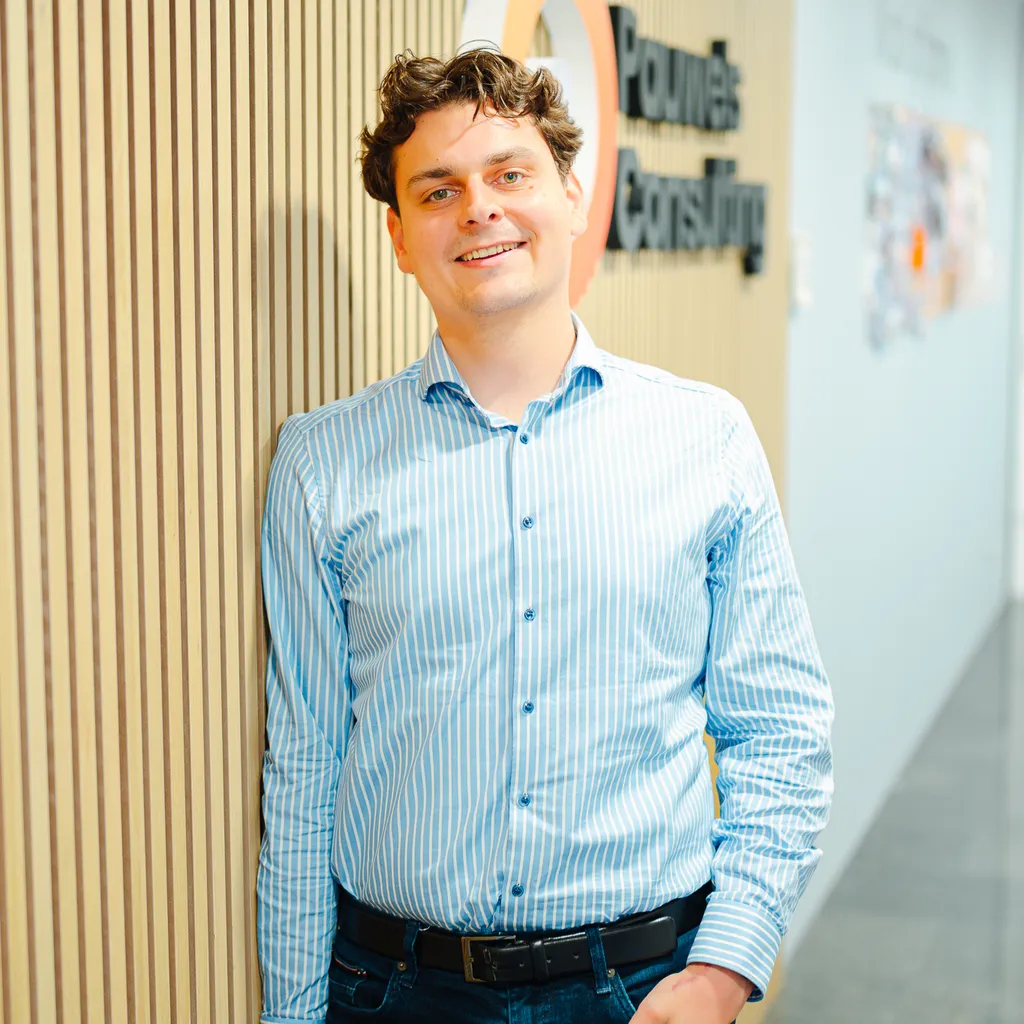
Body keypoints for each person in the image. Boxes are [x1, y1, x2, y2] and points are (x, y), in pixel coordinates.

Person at [257, 48, 834, 1024]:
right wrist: (292, 1011)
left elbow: (778, 728)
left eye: (509, 174)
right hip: (396, 992)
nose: (478, 208)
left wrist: (724, 972)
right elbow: (305, 766)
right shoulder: (323, 463)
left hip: (642, 987)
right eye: (438, 190)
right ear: (399, 237)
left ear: (572, 195)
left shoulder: (704, 439)